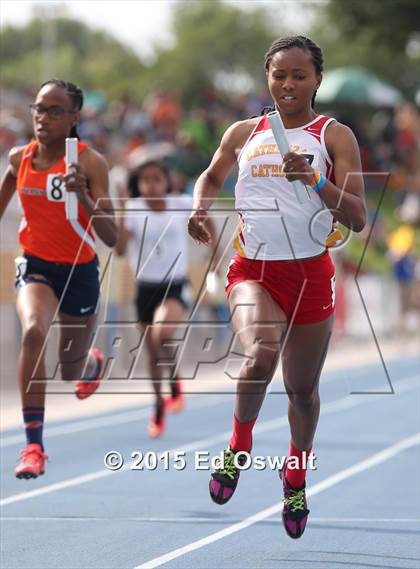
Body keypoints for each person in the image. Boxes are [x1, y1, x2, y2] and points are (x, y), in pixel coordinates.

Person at [188, 35, 366, 539]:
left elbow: (354, 216)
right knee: (259, 356)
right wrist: (201, 207)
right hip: (253, 270)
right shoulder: (244, 132)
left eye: (299, 75)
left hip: (310, 274)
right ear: (267, 77)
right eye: (279, 75)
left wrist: (314, 181)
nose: (288, 84)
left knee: (302, 392)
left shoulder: (334, 136)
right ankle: (238, 446)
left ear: (317, 81)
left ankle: (295, 476)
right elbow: (209, 175)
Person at [0, 79, 117, 479]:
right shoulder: (19, 159)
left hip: (80, 272)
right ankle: (34, 446)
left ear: (73, 118)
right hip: (35, 265)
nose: (42, 117)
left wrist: (83, 196)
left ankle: (89, 362)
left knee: (69, 369)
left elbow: (112, 237)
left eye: (53, 111)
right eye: (38, 108)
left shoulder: (89, 162)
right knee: (33, 331)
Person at [116, 159, 218, 437]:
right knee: (153, 352)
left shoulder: (181, 203)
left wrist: (215, 253)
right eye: (145, 180)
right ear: (138, 185)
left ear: (166, 182)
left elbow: (207, 216)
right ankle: (160, 403)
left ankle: (172, 386)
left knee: (161, 334)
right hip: (145, 288)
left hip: (175, 285)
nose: (151, 185)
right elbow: (121, 250)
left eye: (156, 179)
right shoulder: (134, 209)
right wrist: (123, 214)